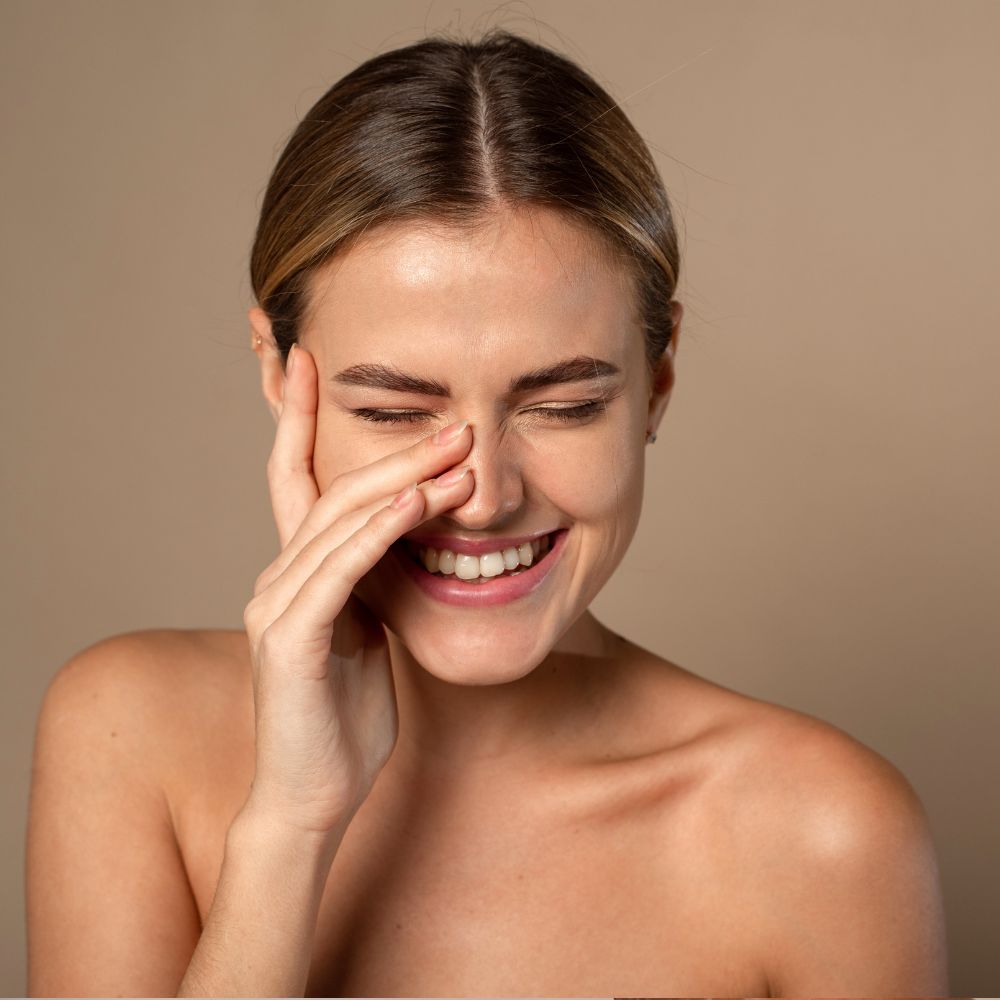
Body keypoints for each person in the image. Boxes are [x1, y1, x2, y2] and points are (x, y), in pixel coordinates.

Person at [26, 28, 950, 998]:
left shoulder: (817, 829)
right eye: (393, 412)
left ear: (658, 377)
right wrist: (290, 828)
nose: (485, 494)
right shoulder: (127, 732)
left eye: (562, 406)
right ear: (276, 373)